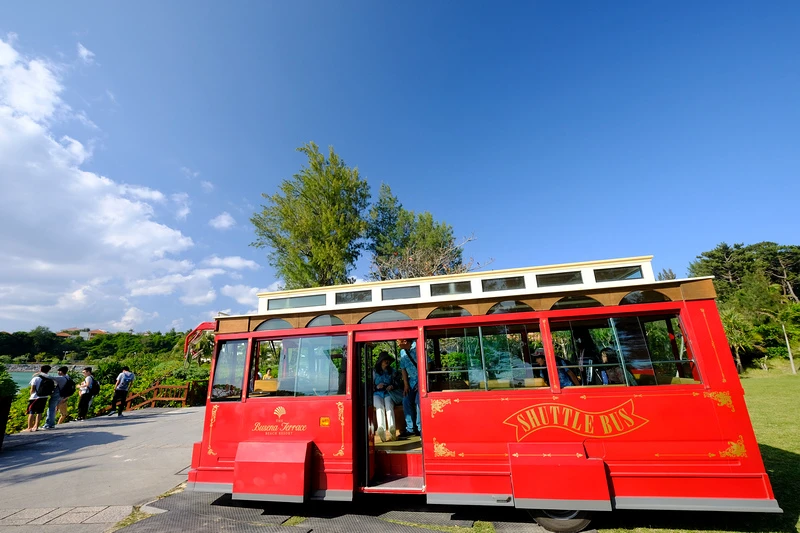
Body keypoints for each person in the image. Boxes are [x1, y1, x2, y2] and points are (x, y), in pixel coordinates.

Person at [373, 351, 398, 443]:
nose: (386, 362)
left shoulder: (393, 371)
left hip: (388, 393)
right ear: (381, 361)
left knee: (388, 406)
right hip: (376, 393)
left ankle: (392, 429)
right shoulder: (374, 371)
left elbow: (397, 383)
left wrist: (392, 386)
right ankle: (381, 429)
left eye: (387, 360)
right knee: (379, 406)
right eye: (385, 360)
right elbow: (368, 385)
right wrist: (376, 386)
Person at [398, 339, 422, 438]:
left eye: (398, 341)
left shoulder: (418, 347)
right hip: (411, 382)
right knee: (406, 400)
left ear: (404, 341)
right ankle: (410, 428)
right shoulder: (402, 352)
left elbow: (427, 363)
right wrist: (406, 385)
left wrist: (422, 381)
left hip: (421, 382)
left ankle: (421, 428)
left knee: (418, 401)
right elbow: (403, 368)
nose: (397, 343)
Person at [26, 365, 53, 432]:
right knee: (39, 412)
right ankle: (36, 426)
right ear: (48, 371)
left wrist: (31, 395)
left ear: (41, 369)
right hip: (44, 397)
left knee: (31, 412)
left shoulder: (36, 379)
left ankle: (29, 428)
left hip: (35, 397)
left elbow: (32, 389)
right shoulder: (49, 379)